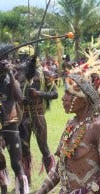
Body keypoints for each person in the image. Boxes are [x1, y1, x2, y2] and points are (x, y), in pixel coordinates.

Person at [33, 62, 100, 194]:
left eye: (69, 94)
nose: (63, 98)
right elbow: (58, 169)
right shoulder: (71, 124)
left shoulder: (98, 126)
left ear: (84, 99)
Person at [0, 44, 29, 194]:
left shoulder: (11, 80)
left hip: (11, 124)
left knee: (16, 164)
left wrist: (11, 74)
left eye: (4, 60)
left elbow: (19, 97)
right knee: (1, 164)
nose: (3, 63)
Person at [15, 48, 58, 185]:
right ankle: (26, 181)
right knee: (24, 150)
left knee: (44, 147)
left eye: (24, 57)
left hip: (38, 115)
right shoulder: (17, 74)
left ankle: (52, 179)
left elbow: (55, 94)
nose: (22, 60)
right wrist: (19, 99)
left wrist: (39, 94)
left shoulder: (44, 73)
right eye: (20, 57)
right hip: (24, 116)